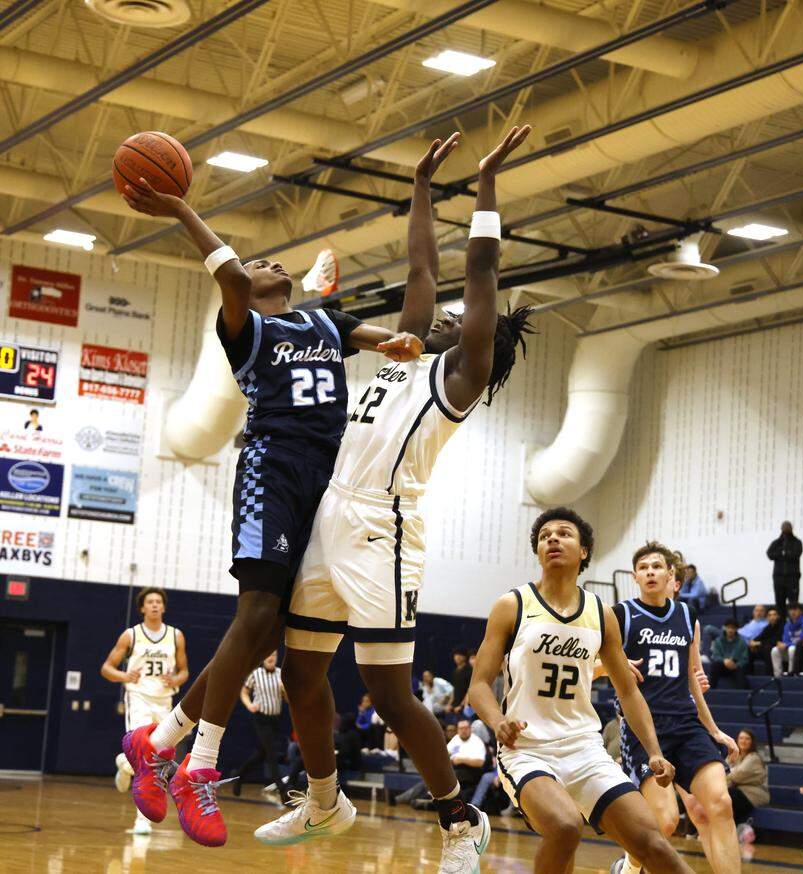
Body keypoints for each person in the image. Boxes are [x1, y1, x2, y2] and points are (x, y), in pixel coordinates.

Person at [117, 142, 427, 849]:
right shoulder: (246, 331)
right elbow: (227, 270)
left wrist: (403, 344)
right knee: (254, 616)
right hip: (272, 471)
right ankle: (194, 766)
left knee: (265, 634)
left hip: (330, 483)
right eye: (259, 264)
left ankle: (157, 742)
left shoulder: (323, 323)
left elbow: (388, 339)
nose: (266, 263)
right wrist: (178, 205)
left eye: (272, 263)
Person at [254, 129, 538, 868]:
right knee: (300, 670)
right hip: (331, 512)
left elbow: (478, 272)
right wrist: (419, 184)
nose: (441, 317)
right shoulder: (407, 348)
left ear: (481, 345)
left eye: (455, 321)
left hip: (385, 526)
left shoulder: (461, 377)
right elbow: (422, 262)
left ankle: (459, 819)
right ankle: (324, 801)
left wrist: (484, 184)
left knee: (386, 687)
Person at [467, 508, 694, 874]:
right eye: (544, 536)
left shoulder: (601, 614)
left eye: (564, 533)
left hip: (585, 749)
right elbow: (477, 686)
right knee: (565, 826)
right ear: (538, 551)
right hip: (528, 751)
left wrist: (654, 751)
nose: (552, 539)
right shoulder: (512, 605)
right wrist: (497, 721)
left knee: (652, 841)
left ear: (585, 551)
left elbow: (629, 691)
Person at [608, 542, 740, 874]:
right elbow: (591, 661)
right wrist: (615, 662)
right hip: (645, 728)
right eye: (643, 567)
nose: (650, 572)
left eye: (656, 567)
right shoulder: (620, 614)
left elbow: (692, 678)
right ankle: (629, 865)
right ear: (635, 576)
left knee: (720, 804)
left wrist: (713, 729)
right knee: (665, 822)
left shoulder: (686, 615)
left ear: (670, 575)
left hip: (686, 723)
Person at [100, 587, 188, 836]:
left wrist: (176, 679)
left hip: (164, 701)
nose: (154, 605)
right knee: (145, 757)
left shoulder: (175, 636)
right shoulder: (131, 635)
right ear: (142, 608)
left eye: (158, 602)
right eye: (150, 602)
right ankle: (142, 820)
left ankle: (124, 765)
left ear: (164, 607)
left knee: (158, 760)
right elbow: (107, 668)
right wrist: (123, 675)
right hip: (138, 698)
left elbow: (184, 671)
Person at [232, 652, 287, 803]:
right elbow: (244, 691)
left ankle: (239, 776)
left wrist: (284, 690)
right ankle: (283, 791)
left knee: (261, 755)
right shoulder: (256, 674)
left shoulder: (281, 674)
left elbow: (287, 698)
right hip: (261, 718)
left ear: (277, 657)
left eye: (274, 655)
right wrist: (249, 705)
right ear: (263, 657)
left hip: (275, 719)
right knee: (272, 754)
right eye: (268, 655)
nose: (271, 658)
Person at [725, 729, 769, 830]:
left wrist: (723, 773)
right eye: (741, 738)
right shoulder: (736, 756)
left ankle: (729, 830)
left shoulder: (754, 758)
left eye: (747, 739)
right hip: (740, 791)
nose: (743, 741)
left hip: (755, 794)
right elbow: (725, 770)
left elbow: (736, 775)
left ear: (752, 742)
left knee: (728, 794)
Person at [766, 521, 802, 616]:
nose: (786, 528)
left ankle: (795, 622)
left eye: (788, 526)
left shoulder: (797, 542)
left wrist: (784, 553)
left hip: (792, 577)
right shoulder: (776, 543)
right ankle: (781, 625)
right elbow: (770, 554)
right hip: (778, 578)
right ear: (781, 528)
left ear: (791, 528)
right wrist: (782, 553)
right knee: (779, 602)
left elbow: (796, 554)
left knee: (793, 603)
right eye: (784, 527)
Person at [447, 720, 488, 801]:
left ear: (470, 729)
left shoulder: (477, 742)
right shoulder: (456, 739)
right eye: (461, 728)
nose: (463, 731)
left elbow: (480, 762)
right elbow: (446, 753)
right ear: (458, 730)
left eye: (465, 728)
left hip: (471, 772)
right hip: (455, 768)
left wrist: (462, 760)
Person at [709, 619, 749, 689]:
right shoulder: (718, 640)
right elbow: (715, 655)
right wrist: (724, 661)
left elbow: (745, 659)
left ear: (736, 629)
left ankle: (742, 695)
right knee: (714, 666)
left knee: (742, 672)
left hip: (735, 667)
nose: (730, 630)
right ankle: (711, 690)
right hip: (722, 665)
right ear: (724, 628)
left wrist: (736, 665)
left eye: (733, 628)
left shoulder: (742, 642)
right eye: (728, 627)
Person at [771, 602, 803, 677]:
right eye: (791, 610)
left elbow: (802, 641)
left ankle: (791, 674)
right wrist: (783, 644)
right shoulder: (787, 624)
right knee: (774, 650)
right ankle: (777, 675)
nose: (793, 612)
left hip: (801, 653)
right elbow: (785, 639)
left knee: (792, 649)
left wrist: (787, 644)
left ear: (801, 611)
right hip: (789, 650)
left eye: (795, 609)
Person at [750, 607, 783, 674]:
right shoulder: (768, 627)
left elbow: (775, 641)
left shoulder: (782, 626)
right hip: (765, 648)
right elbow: (759, 637)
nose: (772, 617)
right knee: (749, 649)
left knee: (768, 648)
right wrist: (752, 642)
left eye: (774, 615)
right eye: (770, 615)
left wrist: (759, 643)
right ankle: (749, 673)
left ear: (778, 616)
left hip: (777, 649)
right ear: (767, 618)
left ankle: (770, 675)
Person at [449, 649, 474, 721]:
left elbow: (470, 689)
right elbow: (454, 688)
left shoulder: (469, 670)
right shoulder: (455, 671)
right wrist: (450, 703)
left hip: (466, 705)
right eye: (456, 655)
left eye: (460, 655)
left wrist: (461, 705)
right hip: (455, 704)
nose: (457, 657)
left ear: (465, 657)